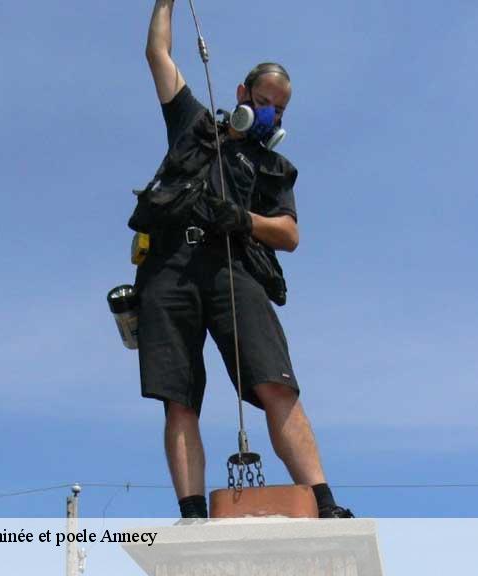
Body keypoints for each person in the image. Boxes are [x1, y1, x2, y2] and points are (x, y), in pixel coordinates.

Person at [133, 0, 353, 519]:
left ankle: (323, 501)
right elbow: (157, 53)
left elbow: (290, 234)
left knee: (275, 382)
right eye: (264, 100)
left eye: (281, 107)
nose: (272, 111)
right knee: (179, 397)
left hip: (234, 267)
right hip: (170, 268)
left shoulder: (274, 165)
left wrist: (241, 219)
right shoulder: (192, 123)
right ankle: (191, 512)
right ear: (242, 96)